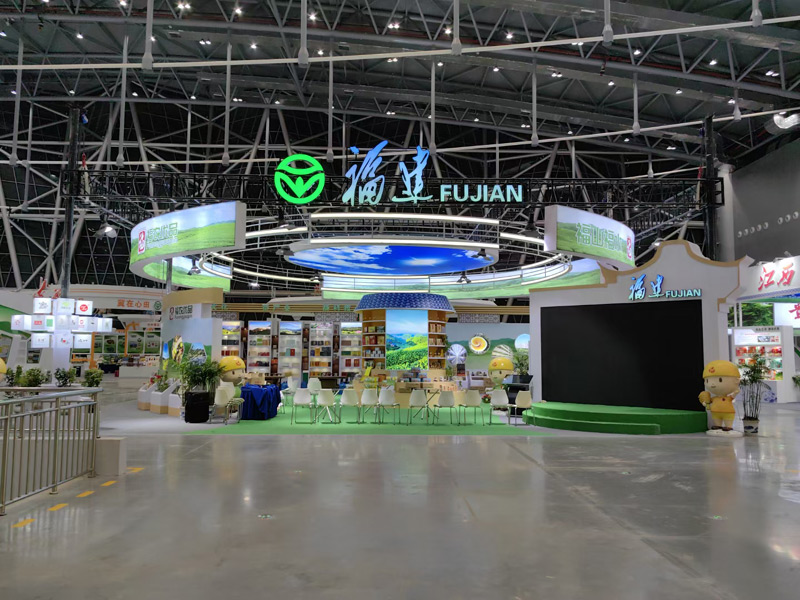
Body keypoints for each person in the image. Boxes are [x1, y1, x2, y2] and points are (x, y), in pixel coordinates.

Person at [698, 360, 740, 432]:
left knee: (728, 419)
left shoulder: (728, 398)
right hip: (715, 412)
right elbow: (708, 402)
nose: (712, 384)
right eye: (707, 381)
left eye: (720, 380)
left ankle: (728, 426)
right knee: (716, 420)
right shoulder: (714, 398)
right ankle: (718, 425)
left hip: (728, 412)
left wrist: (735, 393)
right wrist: (705, 403)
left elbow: (732, 397)